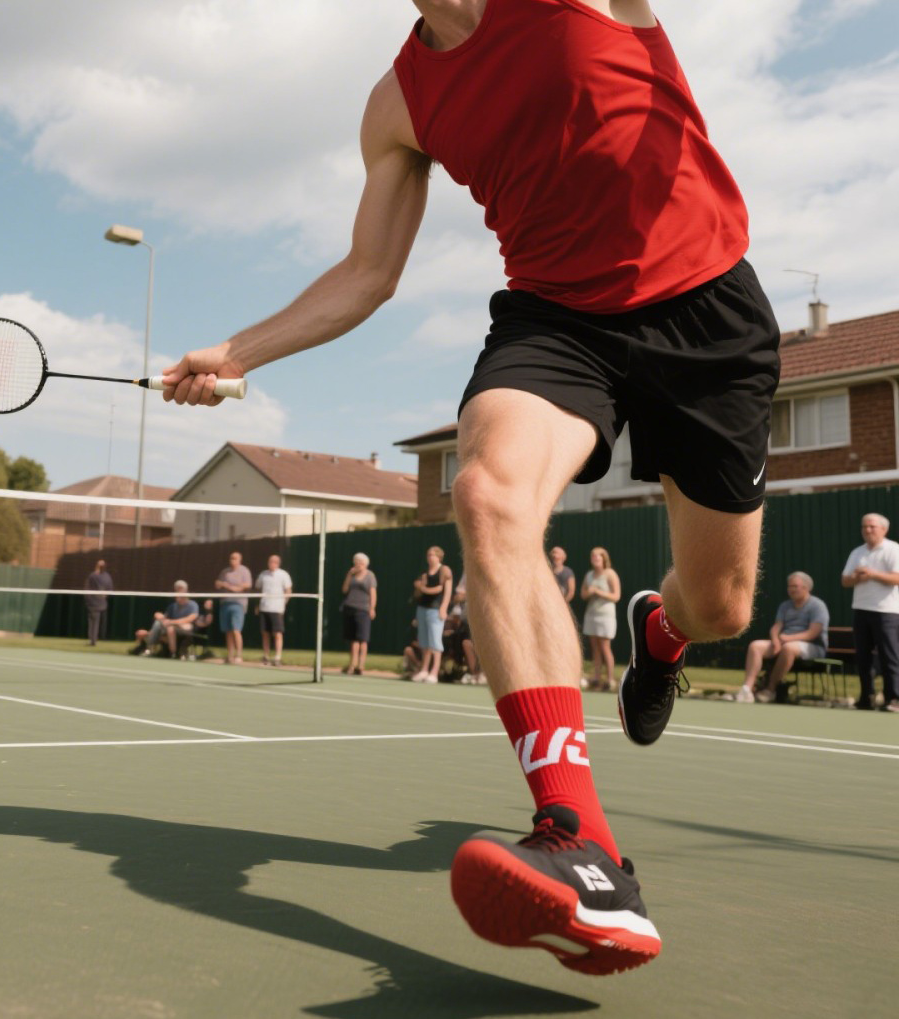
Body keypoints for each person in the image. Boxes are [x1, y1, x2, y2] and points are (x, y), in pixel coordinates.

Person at [158, 0, 783, 972]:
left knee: (719, 607)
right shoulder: (395, 104)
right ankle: (580, 844)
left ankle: (656, 627)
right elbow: (368, 272)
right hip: (554, 321)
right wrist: (236, 352)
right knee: (486, 493)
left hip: (704, 314)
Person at [733, 572, 829, 703]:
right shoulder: (785, 606)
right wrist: (776, 640)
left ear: (807, 588)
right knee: (755, 646)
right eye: (790, 586)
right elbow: (777, 627)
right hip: (784, 642)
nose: (791, 589)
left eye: (795, 586)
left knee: (789, 648)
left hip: (813, 646)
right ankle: (747, 689)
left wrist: (787, 639)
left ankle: (770, 690)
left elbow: (813, 633)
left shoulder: (818, 606)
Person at [842, 513, 899, 711]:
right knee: (863, 658)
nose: (867, 530)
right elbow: (845, 581)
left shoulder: (893, 549)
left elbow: (897, 578)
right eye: (864, 526)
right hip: (860, 609)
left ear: (884, 529)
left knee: (889, 657)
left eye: (872, 526)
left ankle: (894, 698)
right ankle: (867, 698)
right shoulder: (857, 552)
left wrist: (872, 574)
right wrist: (857, 576)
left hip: (887, 612)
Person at [580, 547, 621, 692]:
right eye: (593, 556)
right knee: (595, 649)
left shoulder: (610, 574)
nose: (595, 558)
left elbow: (616, 596)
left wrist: (597, 591)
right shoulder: (589, 575)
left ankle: (610, 680)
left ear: (604, 558)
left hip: (606, 616)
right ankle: (596, 678)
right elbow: (583, 594)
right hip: (591, 614)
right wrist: (589, 592)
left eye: (598, 556)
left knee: (605, 647)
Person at [411, 546, 453, 683]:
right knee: (424, 642)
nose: (430, 557)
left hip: (436, 610)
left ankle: (434, 672)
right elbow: (419, 591)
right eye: (428, 555)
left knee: (435, 642)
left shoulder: (444, 570)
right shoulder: (424, 572)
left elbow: (446, 591)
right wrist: (421, 587)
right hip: (422, 609)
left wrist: (444, 608)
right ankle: (424, 670)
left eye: (432, 555)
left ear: (439, 556)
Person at [132, 580, 199, 658]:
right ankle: (148, 648)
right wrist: (159, 616)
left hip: (184, 630)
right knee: (155, 624)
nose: (179, 591)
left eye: (181, 589)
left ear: (186, 591)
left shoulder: (193, 605)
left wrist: (172, 622)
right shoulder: (172, 606)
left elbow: (191, 618)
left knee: (168, 627)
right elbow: (165, 619)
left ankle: (151, 649)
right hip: (168, 629)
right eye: (177, 589)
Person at [340, 553, 377, 676]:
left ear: (366, 563)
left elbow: (373, 593)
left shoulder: (370, 576)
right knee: (353, 640)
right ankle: (352, 665)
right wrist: (349, 575)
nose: (358, 564)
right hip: (350, 607)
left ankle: (361, 666)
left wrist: (372, 608)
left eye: (360, 562)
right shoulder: (352, 575)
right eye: (356, 562)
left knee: (363, 639)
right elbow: (344, 590)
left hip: (363, 610)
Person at [254, 554, 294, 666]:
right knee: (265, 633)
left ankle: (277, 657)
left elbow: (288, 590)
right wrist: (257, 605)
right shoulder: (263, 575)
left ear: (278, 563)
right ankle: (266, 657)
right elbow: (258, 589)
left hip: (277, 608)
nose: (271, 563)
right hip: (264, 607)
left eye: (274, 561)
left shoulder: (283, 575)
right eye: (270, 561)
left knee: (277, 633)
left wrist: (283, 604)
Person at [215, 551, 252, 664]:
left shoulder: (244, 571)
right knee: (228, 631)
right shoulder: (225, 572)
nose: (232, 560)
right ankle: (230, 656)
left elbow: (246, 585)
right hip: (225, 603)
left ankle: (238, 655)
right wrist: (221, 584)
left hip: (238, 604)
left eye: (235, 558)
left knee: (236, 630)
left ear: (239, 560)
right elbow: (217, 584)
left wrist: (230, 587)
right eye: (231, 558)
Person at [84, 560, 114, 646]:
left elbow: (87, 588)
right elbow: (110, 589)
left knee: (94, 622)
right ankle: (94, 639)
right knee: (95, 621)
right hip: (100, 603)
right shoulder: (107, 576)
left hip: (94, 603)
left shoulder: (93, 576)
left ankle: (93, 641)